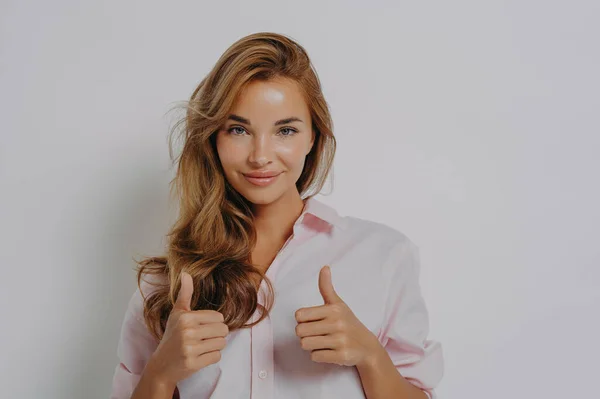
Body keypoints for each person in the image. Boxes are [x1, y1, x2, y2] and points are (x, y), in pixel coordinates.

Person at [110, 32, 444, 399]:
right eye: (238, 129)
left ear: (313, 136)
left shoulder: (384, 256)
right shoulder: (168, 280)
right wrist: (160, 373)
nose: (260, 155)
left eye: (285, 130)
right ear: (213, 138)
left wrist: (370, 357)